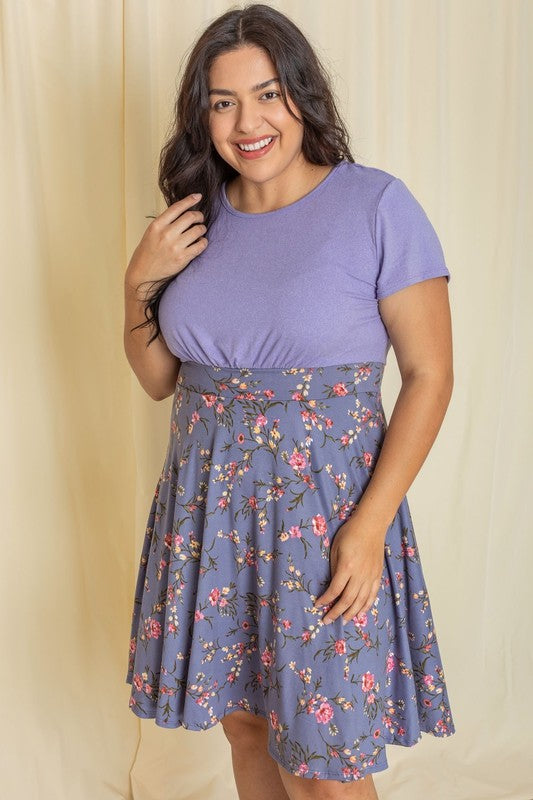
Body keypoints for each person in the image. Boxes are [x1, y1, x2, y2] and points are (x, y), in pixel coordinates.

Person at [123, 4, 456, 798]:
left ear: (302, 95)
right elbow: (160, 378)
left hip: (326, 516)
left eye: (268, 94)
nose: (248, 122)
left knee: (323, 751)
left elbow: (430, 375)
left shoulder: (374, 205)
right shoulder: (193, 221)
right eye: (223, 101)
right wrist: (137, 279)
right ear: (201, 114)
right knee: (246, 726)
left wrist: (367, 529)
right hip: (208, 514)